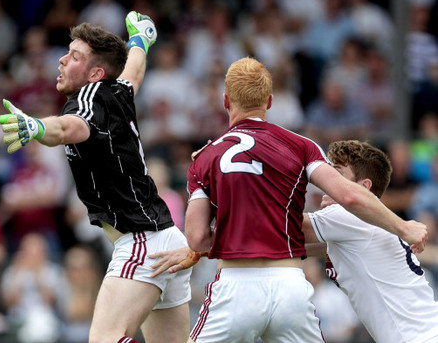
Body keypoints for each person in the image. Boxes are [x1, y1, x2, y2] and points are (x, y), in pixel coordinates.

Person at [149, 57, 427, 343]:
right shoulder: (301, 145)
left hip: (236, 288)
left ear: (225, 100)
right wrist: (403, 226)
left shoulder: (206, 157)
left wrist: (195, 250)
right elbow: (347, 195)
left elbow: (197, 237)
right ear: (269, 101)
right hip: (290, 286)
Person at [0, 12, 192, 343]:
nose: (61, 60)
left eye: (74, 57)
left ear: (95, 73)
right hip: (166, 239)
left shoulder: (88, 98)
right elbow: (134, 71)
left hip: (141, 240)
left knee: (105, 339)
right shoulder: (117, 90)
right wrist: (141, 41)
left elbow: (68, 127)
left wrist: (38, 126)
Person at [302, 140, 438, 343]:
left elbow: (290, 229)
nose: (326, 184)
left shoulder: (349, 216)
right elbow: (294, 247)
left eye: (337, 175)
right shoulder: (363, 225)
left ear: (364, 187)